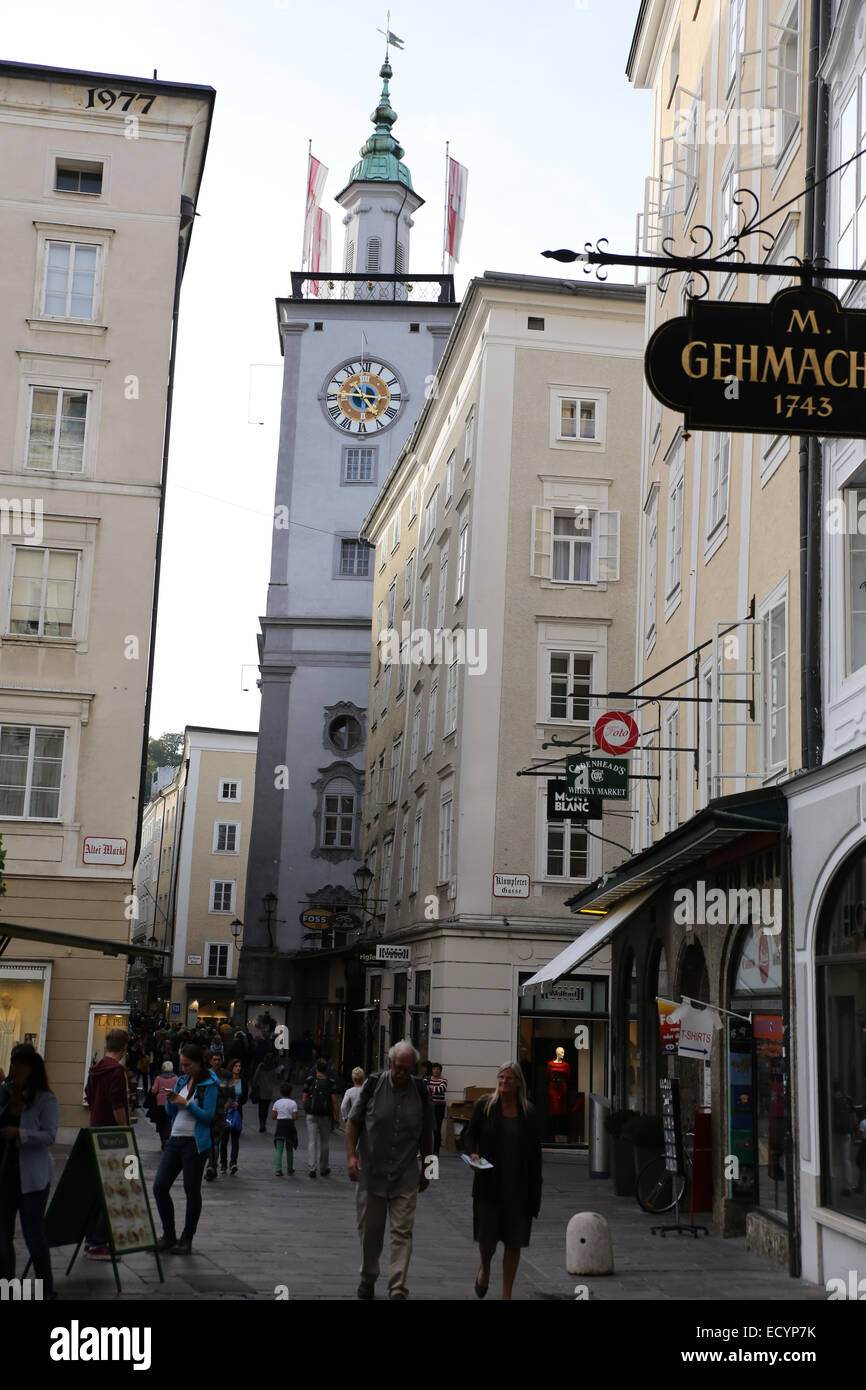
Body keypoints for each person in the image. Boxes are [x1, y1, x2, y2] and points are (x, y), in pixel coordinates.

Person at [345, 1040, 433, 1301]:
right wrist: (351, 1157)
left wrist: (427, 1167)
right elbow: (353, 1124)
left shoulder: (421, 1091)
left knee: (402, 1232)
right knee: (371, 1232)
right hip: (371, 1172)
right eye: (398, 1068)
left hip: (404, 1174)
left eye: (407, 1069)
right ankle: (368, 1276)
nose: (402, 1074)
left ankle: (397, 1288)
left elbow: (427, 1133)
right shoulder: (373, 1085)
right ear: (390, 1064)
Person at [465, 1060, 542, 1301]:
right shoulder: (486, 1106)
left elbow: (535, 1154)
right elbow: (469, 1135)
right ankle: (485, 1268)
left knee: (514, 1242)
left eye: (509, 1078)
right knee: (487, 1240)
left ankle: (506, 1294)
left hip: (519, 1189)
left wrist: (536, 1190)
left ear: (519, 1082)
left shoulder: (528, 1112)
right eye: (501, 1077)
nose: (504, 1082)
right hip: (489, 1185)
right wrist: (472, 1154)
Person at [0, 1045, 58, 1298]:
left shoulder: (46, 1099)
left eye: (21, 1067)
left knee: (34, 1235)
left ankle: (45, 1287)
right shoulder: (4, 1094)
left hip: (33, 1178)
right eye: (14, 1066)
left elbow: (49, 1136)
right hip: (4, 1173)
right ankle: (7, 1285)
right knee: (2, 1234)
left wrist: (20, 1134)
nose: (17, 1071)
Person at [152, 1044, 218, 1254]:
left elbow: (207, 1117)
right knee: (160, 1186)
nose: (184, 1068)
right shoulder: (181, 1080)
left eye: (187, 1065)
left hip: (195, 1144)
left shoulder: (210, 1085)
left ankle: (186, 1239)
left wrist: (186, 1103)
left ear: (198, 1063)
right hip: (175, 1140)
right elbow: (172, 1113)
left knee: (191, 1191)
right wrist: (172, 1101)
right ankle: (168, 1235)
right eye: (182, 1064)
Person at [83, 1026, 130, 1259]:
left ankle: (91, 1238)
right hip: (113, 1137)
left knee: (95, 1189)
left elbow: (89, 1096)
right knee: (115, 1189)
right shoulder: (117, 1071)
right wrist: (125, 1131)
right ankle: (99, 1241)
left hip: (95, 1132)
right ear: (124, 1048)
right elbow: (118, 1104)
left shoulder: (95, 1070)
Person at [303, 1058, 339, 1178]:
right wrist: (336, 1116)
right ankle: (324, 1167)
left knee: (312, 1141)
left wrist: (307, 1108)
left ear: (316, 1068)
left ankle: (312, 1167)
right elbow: (334, 1101)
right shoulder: (331, 1082)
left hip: (312, 1114)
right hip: (325, 1114)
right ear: (326, 1069)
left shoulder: (309, 1080)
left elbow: (304, 1097)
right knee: (325, 1141)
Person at [219, 1059, 248, 1175]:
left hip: (237, 1112)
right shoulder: (226, 1080)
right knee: (224, 1139)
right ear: (231, 1068)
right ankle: (223, 1163)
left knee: (235, 1139)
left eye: (239, 1066)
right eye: (236, 1066)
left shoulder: (243, 1081)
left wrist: (239, 1103)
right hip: (226, 1111)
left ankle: (233, 1163)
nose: (238, 1068)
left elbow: (245, 1097)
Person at [252, 1052, 282, 1133]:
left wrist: (254, 1085)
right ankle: (264, 1123)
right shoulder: (273, 1068)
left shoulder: (261, 1066)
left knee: (261, 1108)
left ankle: (261, 1123)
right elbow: (275, 1080)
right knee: (266, 1108)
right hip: (269, 1090)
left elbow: (255, 1077)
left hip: (261, 1089)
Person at [272, 1083, 299, 1176]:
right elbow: (295, 1117)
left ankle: (278, 1168)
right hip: (289, 1125)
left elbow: (273, 1116)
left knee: (279, 1149)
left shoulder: (277, 1102)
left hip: (280, 1125)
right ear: (290, 1092)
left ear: (281, 1092)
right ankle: (290, 1168)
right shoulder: (293, 1103)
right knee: (289, 1148)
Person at [150, 1061, 177, 1149]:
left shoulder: (158, 1078)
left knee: (160, 1123)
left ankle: (163, 1141)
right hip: (171, 1102)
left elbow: (154, 1091)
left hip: (160, 1103)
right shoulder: (175, 1078)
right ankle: (167, 1140)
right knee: (169, 1122)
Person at [426, 1063, 448, 1156]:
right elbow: (423, 1089)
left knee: (437, 1129)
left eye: (438, 1069)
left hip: (439, 1107)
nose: (436, 1071)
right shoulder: (426, 1079)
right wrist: (432, 1089)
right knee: (426, 1130)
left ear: (440, 1070)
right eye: (434, 1069)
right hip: (428, 1106)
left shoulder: (444, 1080)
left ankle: (436, 1151)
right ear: (432, 1070)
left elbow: (441, 1089)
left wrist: (429, 1089)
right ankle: (425, 1151)